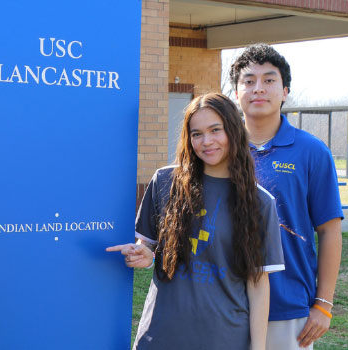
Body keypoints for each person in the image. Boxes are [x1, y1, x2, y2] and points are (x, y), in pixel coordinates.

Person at [107, 93, 284, 350]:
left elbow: (258, 285)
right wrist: (144, 254)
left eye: (215, 130)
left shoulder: (259, 202)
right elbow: (147, 245)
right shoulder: (164, 182)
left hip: (224, 339)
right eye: (196, 133)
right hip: (160, 336)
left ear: (234, 131)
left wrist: (258, 348)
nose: (206, 141)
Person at [229, 43, 344, 349]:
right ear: (235, 91)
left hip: (287, 306)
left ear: (285, 91)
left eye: (269, 80)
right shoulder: (219, 149)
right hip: (224, 302)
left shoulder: (312, 152)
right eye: (248, 81)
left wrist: (323, 303)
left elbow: (329, 230)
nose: (258, 89)